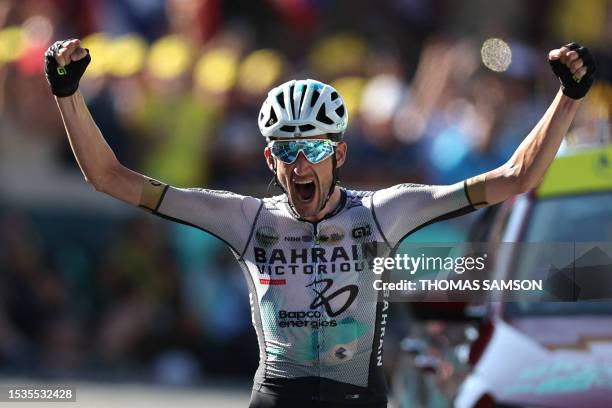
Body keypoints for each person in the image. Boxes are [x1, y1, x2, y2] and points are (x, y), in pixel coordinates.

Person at [44, 39, 595, 408]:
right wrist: (67, 94)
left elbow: (515, 177)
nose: (300, 163)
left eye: (313, 147)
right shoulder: (247, 220)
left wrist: (567, 99)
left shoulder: (385, 213)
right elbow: (110, 178)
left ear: (340, 154)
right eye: (286, 149)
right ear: (269, 161)